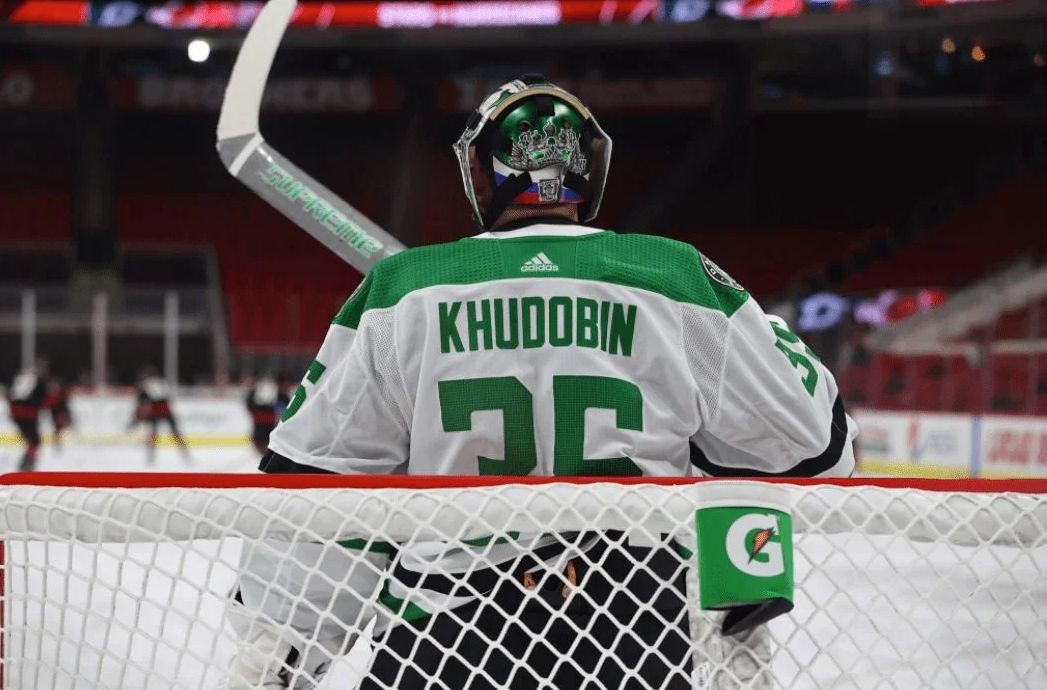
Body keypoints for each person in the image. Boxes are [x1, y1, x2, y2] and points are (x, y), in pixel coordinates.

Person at [229, 76, 858, 690]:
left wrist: (282, 649)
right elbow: (819, 450)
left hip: (446, 638)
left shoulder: (404, 290)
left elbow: (317, 489)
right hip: (632, 633)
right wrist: (706, 422)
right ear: (589, 169)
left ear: (481, 175)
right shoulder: (676, 276)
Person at [128, 367, 190, 463]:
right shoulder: (161, 383)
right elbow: (167, 397)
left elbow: (141, 404)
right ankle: (185, 454)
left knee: (155, 435)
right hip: (165, 412)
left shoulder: (146, 386)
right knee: (173, 434)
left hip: (157, 413)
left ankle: (151, 457)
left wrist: (135, 419)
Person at [6, 361, 48, 471]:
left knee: (32, 440)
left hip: (17, 413)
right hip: (28, 413)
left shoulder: (19, 378)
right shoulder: (38, 381)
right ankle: (27, 463)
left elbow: (10, 394)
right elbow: (42, 397)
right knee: (35, 440)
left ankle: (27, 461)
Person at [244, 373, 289, 455]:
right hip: (264, 438)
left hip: (265, 438)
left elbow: (249, 403)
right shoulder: (264, 411)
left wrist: (253, 388)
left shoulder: (259, 411)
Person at [44, 375, 73, 454]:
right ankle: (57, 443)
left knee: (59, 428)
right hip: (56, 411)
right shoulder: (53, 394)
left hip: (59, 410)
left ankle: (58, 442)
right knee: (57, 428)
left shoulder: (61, 393)